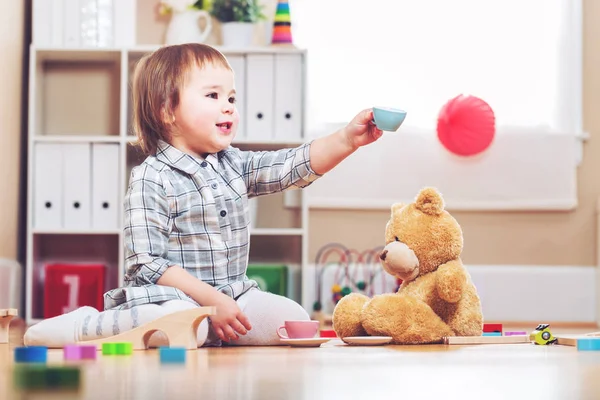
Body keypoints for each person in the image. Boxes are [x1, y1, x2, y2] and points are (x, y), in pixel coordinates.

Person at [24, 43, 384, 348]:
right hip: (173, 299)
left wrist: (346, 140)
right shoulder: (152, 176)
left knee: (292, 319)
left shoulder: (234, 164)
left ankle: (211, 331)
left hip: (234, 293)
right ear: (168, 111)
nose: (229, 106)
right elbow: (145, 262)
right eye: (212, 96)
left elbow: (291, 165)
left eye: (231, 97)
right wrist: (211, 303)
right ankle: (85, 325)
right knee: (179, 327)